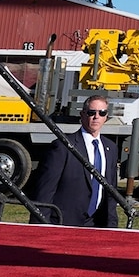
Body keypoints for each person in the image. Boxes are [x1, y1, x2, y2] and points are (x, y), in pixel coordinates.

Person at [28, 94, 117, 227]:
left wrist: (112, 227)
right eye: (91, 112)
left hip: (97, 224)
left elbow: (111, 191)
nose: (96, 117)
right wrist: (40, 226)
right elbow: (45, 190)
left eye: (102, 113)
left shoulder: (111, 148)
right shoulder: (63, 146)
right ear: (82, 114)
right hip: (65, 223)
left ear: (106, 117)